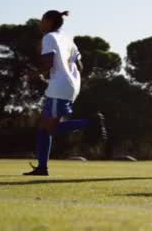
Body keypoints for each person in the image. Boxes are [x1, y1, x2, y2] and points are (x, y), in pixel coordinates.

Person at [23, 10, 106, 176]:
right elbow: (80, 66)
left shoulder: (48, 37)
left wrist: (35, 74)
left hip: (59, 87)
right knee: (44, 129)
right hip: (71, 86)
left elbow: (48, 63)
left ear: (49, 21)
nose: (40, 24)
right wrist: (66, 77)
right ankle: (42, 168)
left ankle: (89, 123)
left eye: (42, 20)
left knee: (46, 128)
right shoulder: (68, 39)